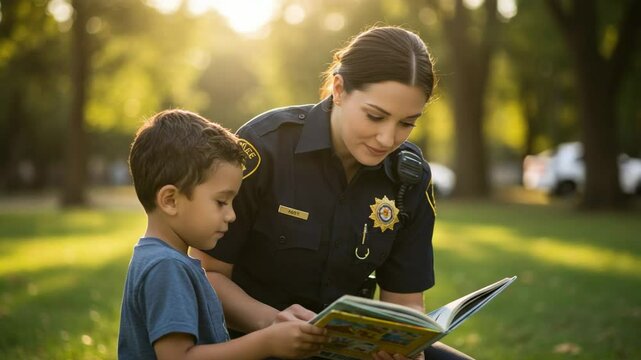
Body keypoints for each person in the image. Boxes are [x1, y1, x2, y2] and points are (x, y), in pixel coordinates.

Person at [191, 26, 474, 360]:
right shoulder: (265, 147)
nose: (387, 139)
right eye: (375, 116)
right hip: (253, 341)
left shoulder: (409, 178)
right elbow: (205, 274)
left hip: (350, 350)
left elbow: (405, 302)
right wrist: (271, 322)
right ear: (339, 89)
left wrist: (405, 347)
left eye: (406, 123)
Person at [118, 109, 327, 360]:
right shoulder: (167, 266)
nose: (232, 216)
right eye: (221, 202)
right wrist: (266, 342)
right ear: (170, 200)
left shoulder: (164, 260)